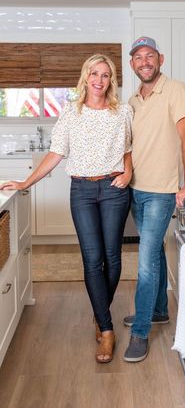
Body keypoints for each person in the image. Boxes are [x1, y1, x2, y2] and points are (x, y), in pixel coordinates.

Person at [0, 54, 133, 364]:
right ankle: (107, 328)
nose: (99, 80)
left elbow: (128, 148)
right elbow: (55, 154)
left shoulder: (122, 111)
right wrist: (25, 182)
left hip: (114, 189)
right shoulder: (70, 113)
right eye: (94, 73)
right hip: (83, 191)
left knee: (113, 259)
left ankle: (99, 312)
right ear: (85, 77)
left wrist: (128, 172)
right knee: (91, 259)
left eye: (105, 74)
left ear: (110, 80)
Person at [123, 36, 185, 362]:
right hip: (136, 188)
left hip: (161, 191)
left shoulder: (176, 89)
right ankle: (157, 312)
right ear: (132, 64)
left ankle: (140, 332)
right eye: (138, 57)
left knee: (145, 260)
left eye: (149, 55)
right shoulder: (133, 100)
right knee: (154, 254)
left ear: (161, 59)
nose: (144, 61)